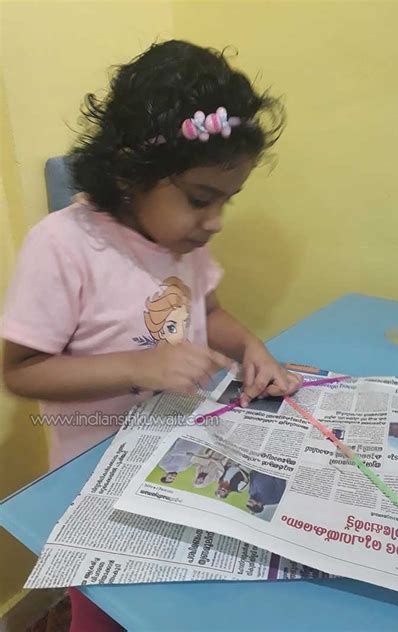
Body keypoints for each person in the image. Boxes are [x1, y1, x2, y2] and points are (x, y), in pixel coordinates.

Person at [1, 40, 302, 631]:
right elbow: (20, 370)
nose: (215, 222)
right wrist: (138, 367)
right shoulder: (63, 244)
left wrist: (253, 348)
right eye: (200, 199)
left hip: (178, 453)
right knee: (108, 612)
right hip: (94, 481)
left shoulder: (183, 241)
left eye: (227, 202)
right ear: (127, 172)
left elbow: (211, 312)